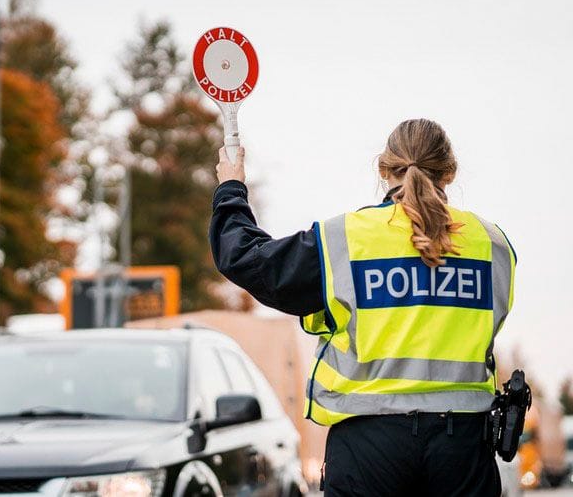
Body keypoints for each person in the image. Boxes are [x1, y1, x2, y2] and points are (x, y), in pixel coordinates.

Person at [210, 119, 515, 497]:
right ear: (449, 172)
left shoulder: (346, 239)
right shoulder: (493, 244)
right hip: (463, 450)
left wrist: (231, 187)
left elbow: (245, 258)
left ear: (384, 169)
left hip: (370, 450)